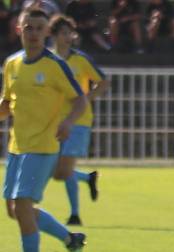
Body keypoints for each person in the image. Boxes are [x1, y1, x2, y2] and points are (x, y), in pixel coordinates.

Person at [0, 8, 89, 252]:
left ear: (46, 33)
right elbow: (6, 104)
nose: (34, 33)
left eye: (40, 28)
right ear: (19, 29)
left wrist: (68, 123)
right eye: (29, 27)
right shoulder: (12, 64)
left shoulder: (54, 65)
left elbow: (80, 100)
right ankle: (70, 238)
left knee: (24, 205)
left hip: (44, 146)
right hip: (17, 147)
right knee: (15, 210)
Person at [49, 14, 107, 225]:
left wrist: (86, 99)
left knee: (64, 169)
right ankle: (87, 178)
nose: (67, 37)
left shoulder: (80, 59)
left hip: (79, 120)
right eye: (63, 33)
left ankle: (75, 214)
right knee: (57, 170)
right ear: (53, 35)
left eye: (69, 33)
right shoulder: (48, 59)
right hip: (55, 120)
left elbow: (102, 81)